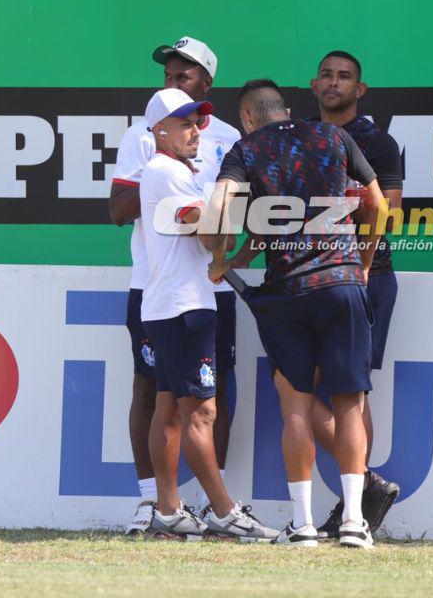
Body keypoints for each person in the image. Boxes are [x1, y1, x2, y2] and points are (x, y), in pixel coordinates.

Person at [207, 80, 386, 549]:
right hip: (342, 283)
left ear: (248, 118)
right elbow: (378, 203)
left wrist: (219, 257)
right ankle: (353, 522)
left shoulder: (245, 150)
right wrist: (363, 264)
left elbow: (219, 206)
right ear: (286, 110)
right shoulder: (331, 136)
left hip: (286, 293)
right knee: (350, 401)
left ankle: (303, 525)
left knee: (296, 408)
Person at [108, 37, 241, 534]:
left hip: (213, 284)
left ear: (207, 82)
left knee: (215, 390)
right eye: (168, 73)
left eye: (184, 75)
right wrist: (164, 182)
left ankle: (209, 505)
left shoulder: (227, 136)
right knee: (152, 389)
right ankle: (153, 503)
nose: (172, 81)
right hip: (155, 281)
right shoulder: (146, 136)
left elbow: (235, 219)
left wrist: (211, 206)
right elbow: (119, 211)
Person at [138, 88, 276, 542]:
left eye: (198, 122)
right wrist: (229, 195)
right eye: (184, 123)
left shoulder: (175, 171)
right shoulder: (166, 170)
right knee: (201, 414)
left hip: (170, 304)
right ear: (160, 130)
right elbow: (208, 232)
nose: (195, 130)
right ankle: (223, 512)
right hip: (184, 306)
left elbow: (206, 233)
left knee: (169, 408)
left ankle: (168, 509)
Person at [308, 50, 404, 539]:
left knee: (351, 387)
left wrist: (362, 265)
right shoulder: (303, 137)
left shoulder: (377, 143)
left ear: (359, 90)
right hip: (311, 278)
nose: (334, 82)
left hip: (366, 277)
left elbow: (388, 213)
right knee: (299, 390)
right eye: (326, 74)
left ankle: (356, 505)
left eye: (344, 77)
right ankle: (363, 488)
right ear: (312, 84)